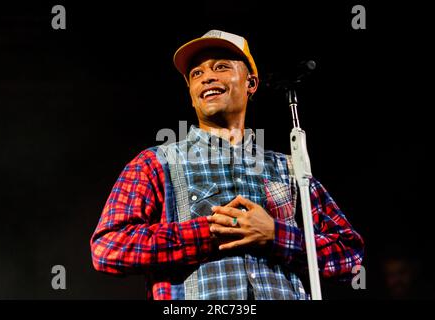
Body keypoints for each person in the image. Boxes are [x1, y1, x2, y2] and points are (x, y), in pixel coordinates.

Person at [90, 29, 364, 300]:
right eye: (196, 74)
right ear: (191, 91)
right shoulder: (155, 163)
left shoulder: (290, 169)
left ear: (251, 83)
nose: (207, 76)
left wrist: (275, 236)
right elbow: (109, 248)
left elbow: (350, 255)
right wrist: (209, 232)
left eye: (221, 67)